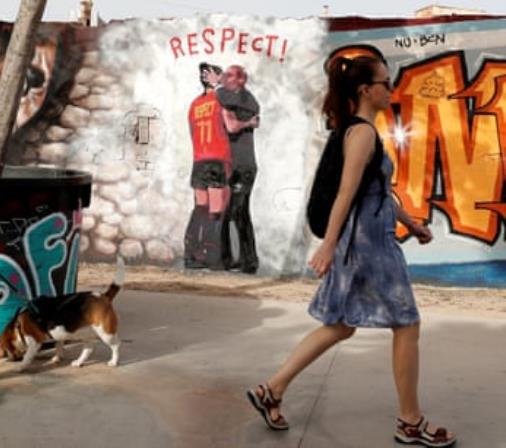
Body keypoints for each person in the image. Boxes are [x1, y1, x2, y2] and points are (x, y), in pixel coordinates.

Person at [245, 55, 457, 447]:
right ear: (366, 90)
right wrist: (327, 247)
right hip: (368, 247)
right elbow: (345, 192)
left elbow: (371, 192)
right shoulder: (361, 134)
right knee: (407, 324)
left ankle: (271, 390)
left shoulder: (358, 132)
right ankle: (410, 422)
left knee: (341, 324)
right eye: (386, 83)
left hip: (362, 242)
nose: (391, 89)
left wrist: (409, 222)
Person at [208, 65, 260, 273]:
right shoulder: (232, 98)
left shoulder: (246, 100)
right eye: (224, 75)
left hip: (243, 166)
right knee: (227, 212)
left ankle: (248, 261)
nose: (224, 78)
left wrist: (217, 81)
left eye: (230, 75)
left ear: (242, 80)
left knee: (239, 212)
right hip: (229, 164)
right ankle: (229, 260)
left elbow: (231, 125)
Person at [184, 63, 233, 269]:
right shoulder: (221, 100)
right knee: (216, 211)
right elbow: (230, 126)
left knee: (200, 208)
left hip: (199, 160)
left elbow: (192, 132)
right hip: (217, 158)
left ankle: (191, 254)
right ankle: (213, 257)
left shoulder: (195, 104)